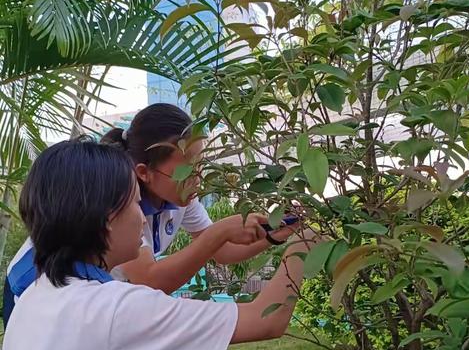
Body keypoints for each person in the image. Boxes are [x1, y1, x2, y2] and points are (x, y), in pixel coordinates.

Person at [0, 138, 339, 350]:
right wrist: (304, 244)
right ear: (106, 220)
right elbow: (267, 319)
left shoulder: (34, 299)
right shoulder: (117, 312)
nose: (142, 219)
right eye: (135, 205)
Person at [2, 103, 297, 329]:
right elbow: (151, 281)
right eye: (188, 168)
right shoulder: (117, 207)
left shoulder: (179, 194)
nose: (199, 177)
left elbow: (220, 251)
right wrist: (219, 232)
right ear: (144, 172)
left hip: (87, 296)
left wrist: (272, 235)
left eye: (201, 164)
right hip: (37, 288)